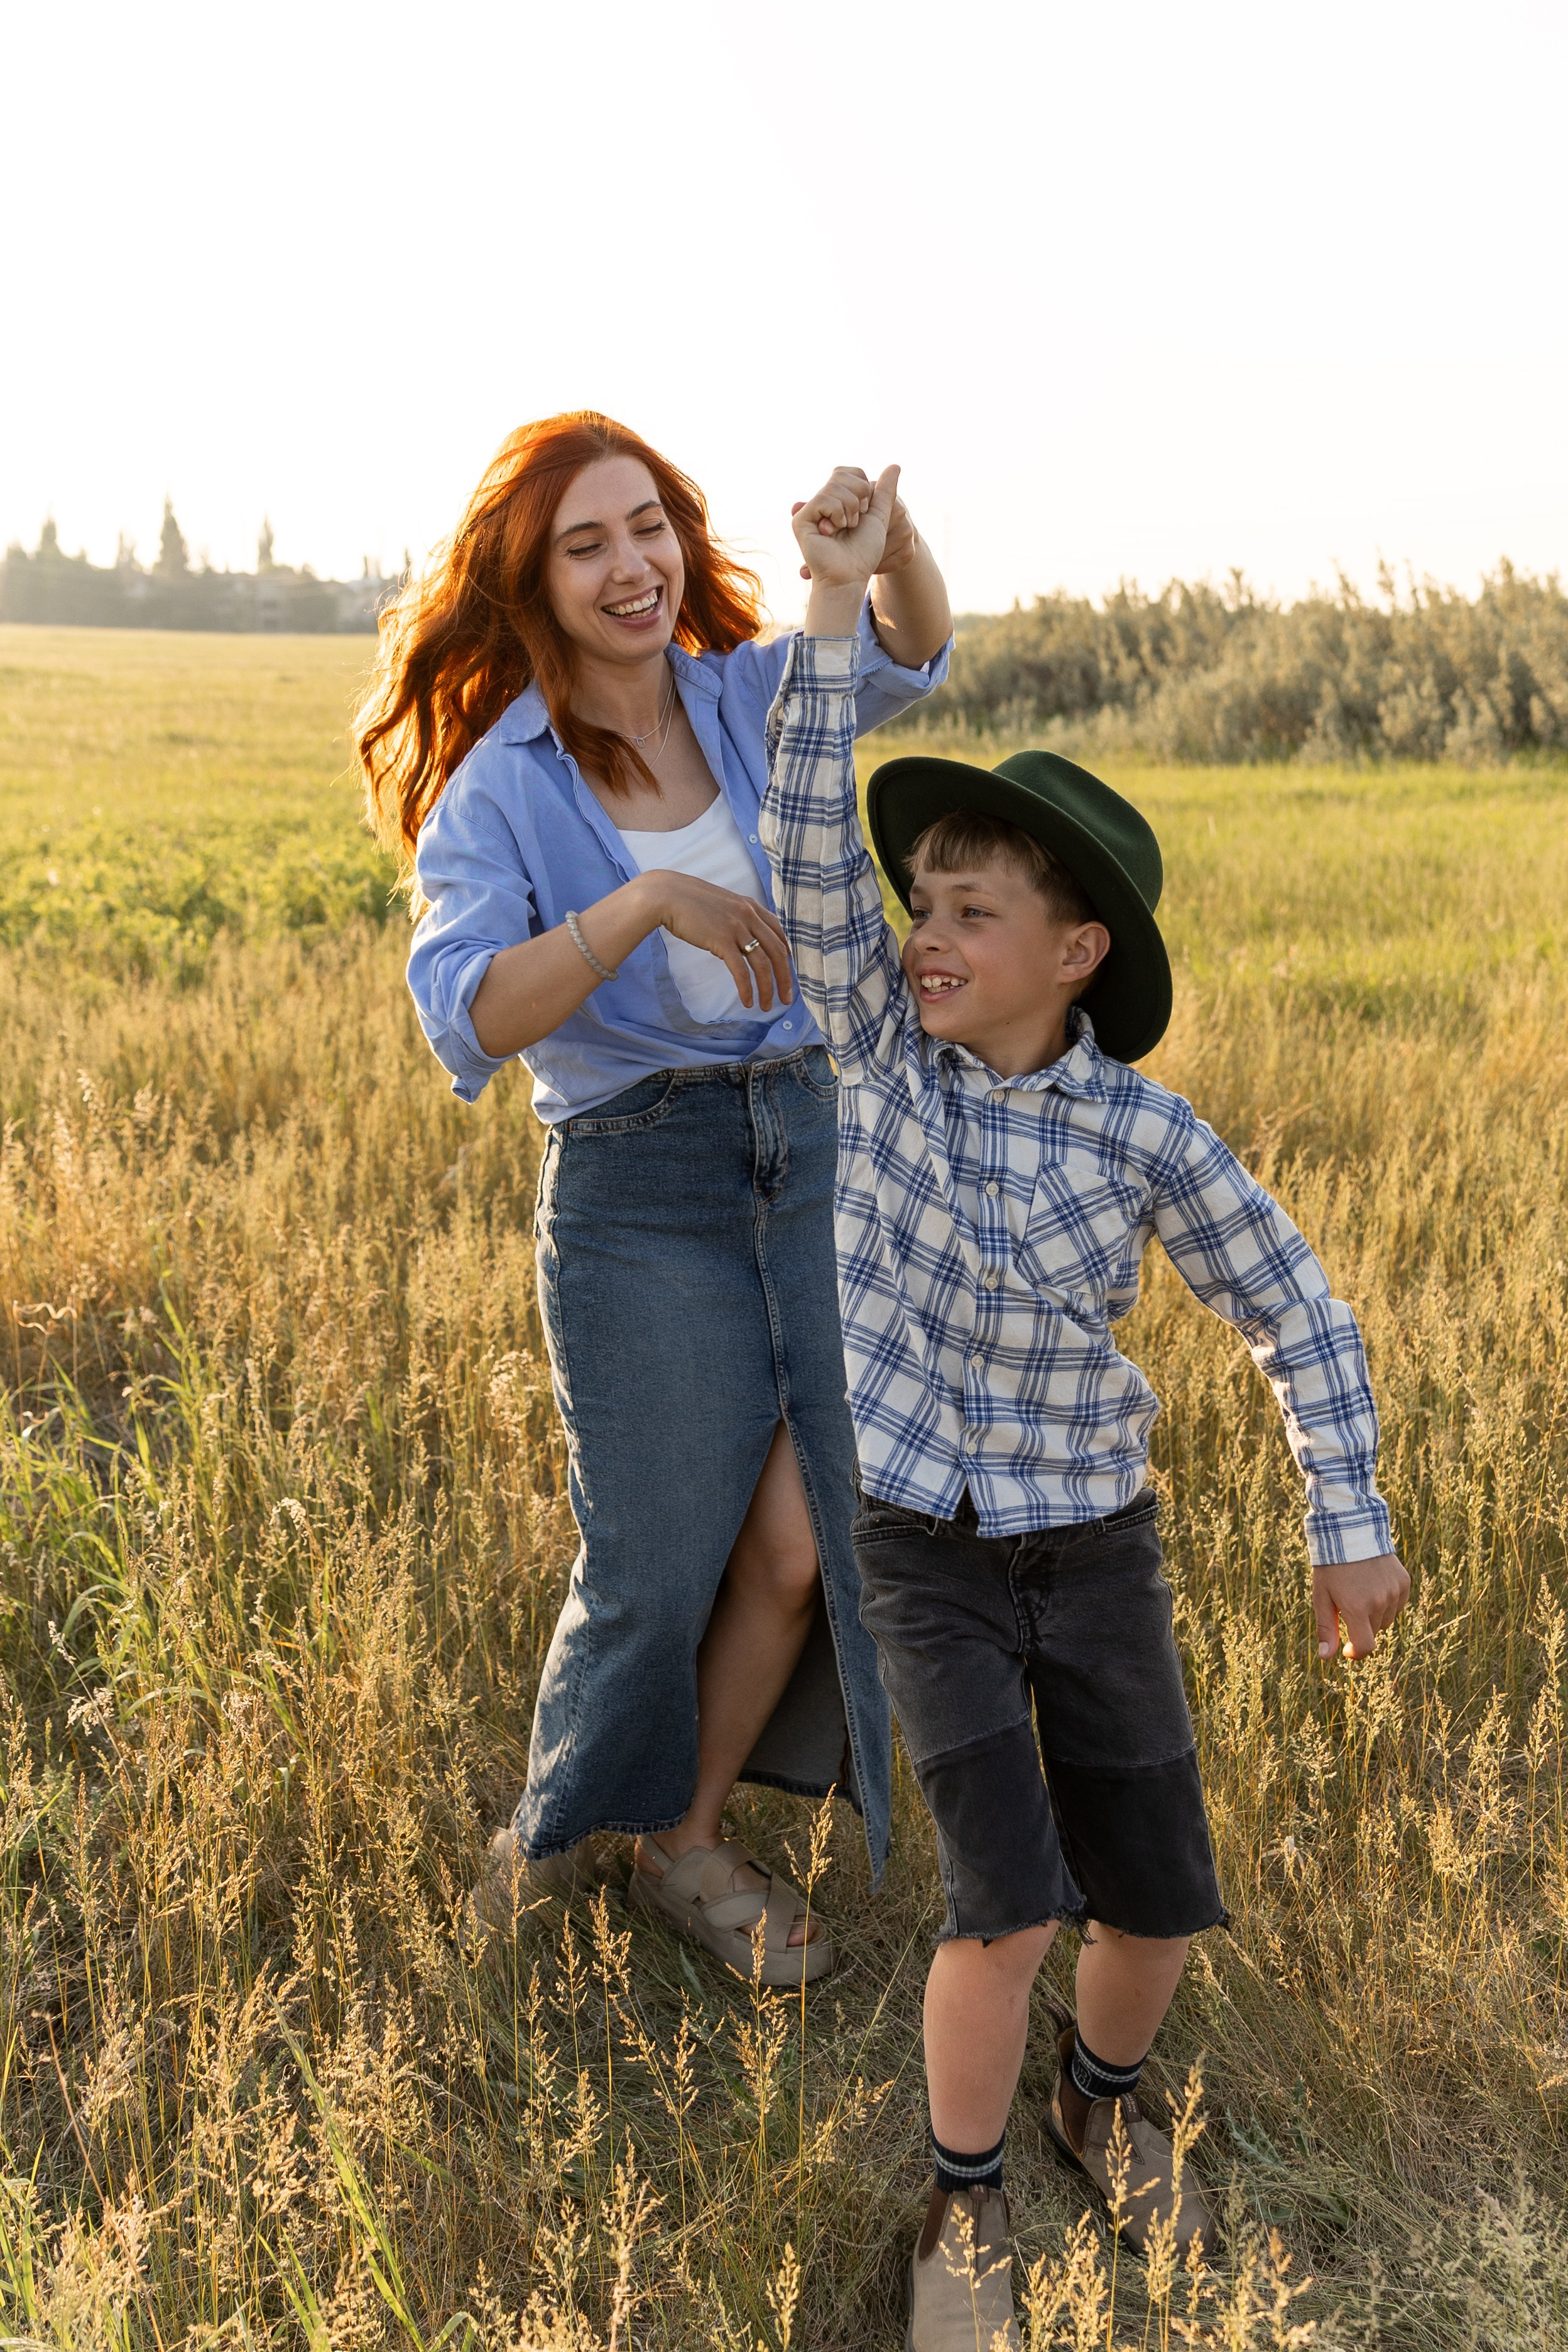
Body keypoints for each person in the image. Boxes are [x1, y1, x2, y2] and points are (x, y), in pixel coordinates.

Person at [761, 467, 1409, 2338]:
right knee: (1007, 1904)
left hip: (1095, 1544)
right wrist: (831, 599)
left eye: (970, 910)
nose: (923, 933)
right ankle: (963, 2220)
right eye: (920, 903)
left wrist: (1343, 1515)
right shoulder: (880, 1059)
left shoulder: (1143, 1130)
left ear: (1079, 955)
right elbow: (810, 842)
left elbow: (1292, 1303)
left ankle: (1099, 2107)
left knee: (1154, 1900)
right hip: (925, 1554)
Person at [357, 416, 951, 1988]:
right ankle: (533, 1870)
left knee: (808, 1534)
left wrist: (881, 550)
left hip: (819, 1146)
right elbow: (470, 1013)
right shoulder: (499, 792)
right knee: (649, 1561)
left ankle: (679, 1839)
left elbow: (909, 648)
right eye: (586, 545)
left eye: (648, 529)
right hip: (640, 1183)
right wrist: (640, 904)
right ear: (531, 584)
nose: (632, 568)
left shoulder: (747, 687)